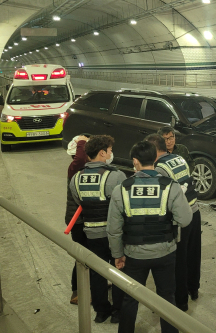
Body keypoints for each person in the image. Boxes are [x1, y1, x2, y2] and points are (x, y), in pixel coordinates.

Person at [107, 141, 192, 333]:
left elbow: (114, 229)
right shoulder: (171, 186)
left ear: (135, 161)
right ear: (155, 159)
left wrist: (117, 254)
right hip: (165, 253)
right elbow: (185, 219)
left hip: (134, 255)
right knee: (167, 298)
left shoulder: (121, 189)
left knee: (130, 298)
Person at [70, 135, 126, 324]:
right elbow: (123, 204)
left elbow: (79, 202)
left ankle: (101, 311)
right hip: (114, 234)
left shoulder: (76, 178)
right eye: (110, 151)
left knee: (97, 273)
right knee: (118, 270)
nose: (111, 154)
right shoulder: (116, 176)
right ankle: (118, 310)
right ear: (102, 153)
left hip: (91, 234)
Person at [145, 134, 201, 309]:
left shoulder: (159, 168)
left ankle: (181, 301)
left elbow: (164, 197)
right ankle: (194, 289)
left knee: (179, 261)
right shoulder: (178, 158)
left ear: (154, 150)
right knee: (193, 255)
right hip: (195, 211)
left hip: (180, 219)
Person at [66, 134, 89, 305]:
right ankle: (77, 291)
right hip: (78, 221)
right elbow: (81, 158)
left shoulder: (87, 169)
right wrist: (83, 141)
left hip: (85, 220)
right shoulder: (75, 169)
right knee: (81, 256)